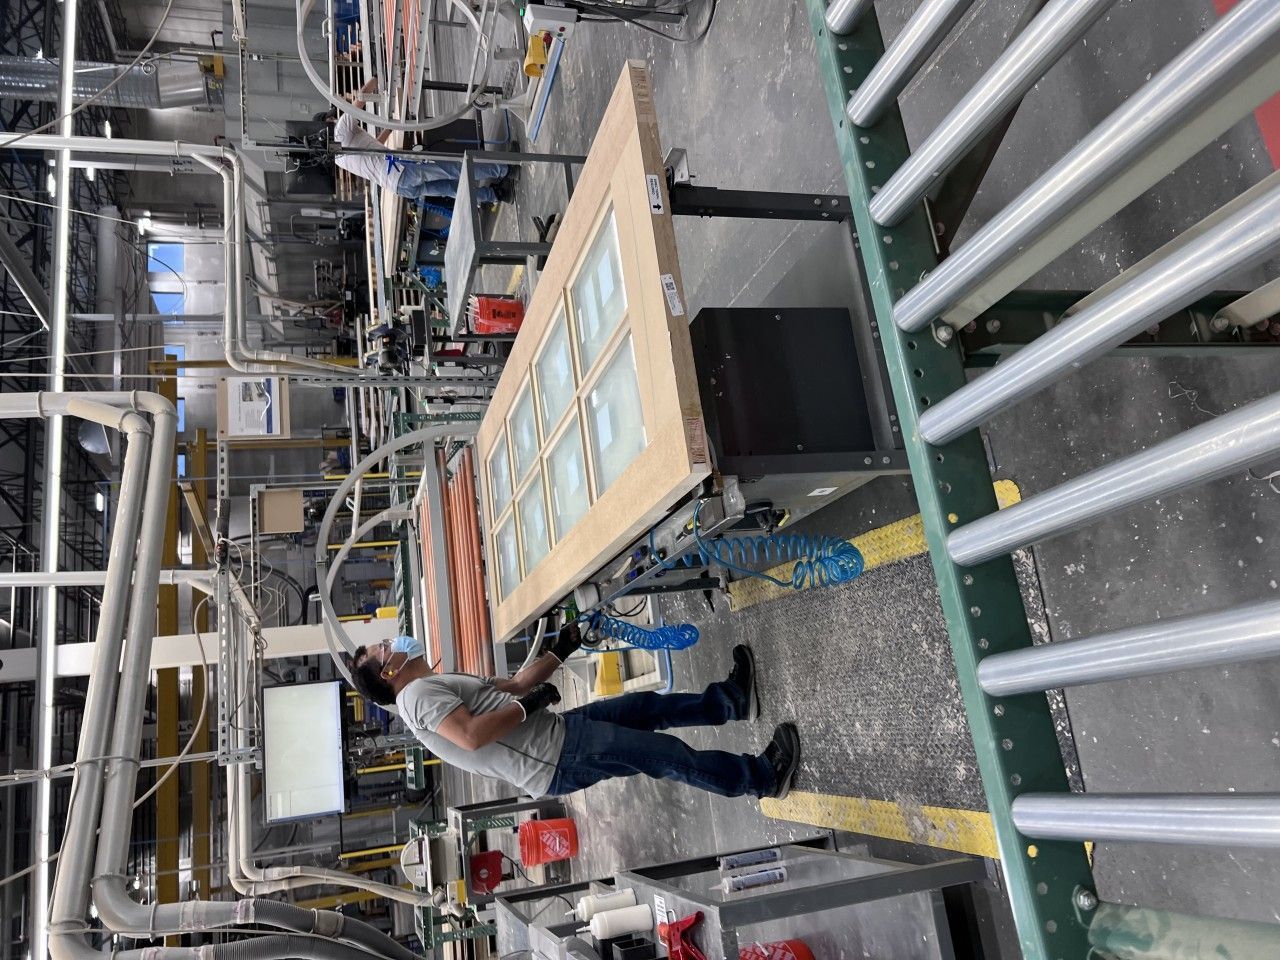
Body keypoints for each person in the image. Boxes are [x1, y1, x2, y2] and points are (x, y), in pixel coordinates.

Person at [347, 625, 801, 801]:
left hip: (558, 734)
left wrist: (564, 647)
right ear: (389, 670)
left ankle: (729, 702)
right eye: (385, 647)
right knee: (660, 753)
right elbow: (471, 736)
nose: (394, 640)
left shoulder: (431, 684)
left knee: (645, 708)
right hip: (556, 756)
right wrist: (528, 709)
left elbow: (517, 685)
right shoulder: (416, 697)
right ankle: (761, 777)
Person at [319, 78, 513, 205]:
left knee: (450, 188)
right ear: (329, 121)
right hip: (403, 170)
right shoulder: (340, 131)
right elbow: (362, 95)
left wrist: (391, 127)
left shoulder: (337, 156)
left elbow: (375, 147)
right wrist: (378, 79)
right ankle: (504, 169)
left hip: (398, 187)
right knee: (454, 168)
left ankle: (495, 196)